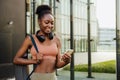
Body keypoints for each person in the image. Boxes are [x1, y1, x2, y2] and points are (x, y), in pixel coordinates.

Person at [13, 5, 71, 80]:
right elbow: (16, 60)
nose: (50, 25)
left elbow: (58, 64)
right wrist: (34, 61)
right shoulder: (30, 39)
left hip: (52, 77)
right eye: (46, 22)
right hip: (37, 77)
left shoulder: (57, 40)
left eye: (52, 23)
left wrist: (67, 61)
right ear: (39, 22)